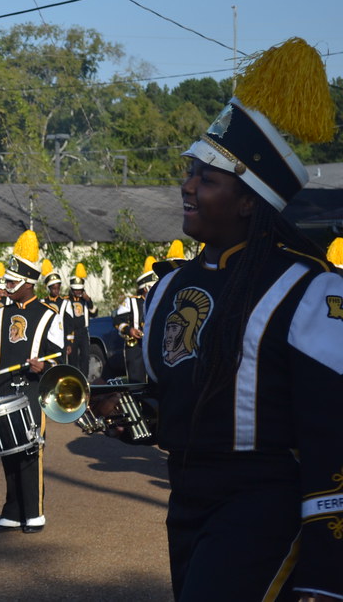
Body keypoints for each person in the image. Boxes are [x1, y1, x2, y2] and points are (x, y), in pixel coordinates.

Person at [136, 38, 343, 599]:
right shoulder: (171, 285)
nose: (187, 185)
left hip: (263, 502)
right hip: (184, 497)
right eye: (190, 172)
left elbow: (333, 436)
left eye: (207, 178)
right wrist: (126, 411)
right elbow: (175, 397)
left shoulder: (311, 288)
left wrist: (328, 574)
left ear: (250, 201)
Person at [0, 230, 64, 534]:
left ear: (29, 283)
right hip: (3, 387)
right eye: (8, 282)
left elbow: (60, 358)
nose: (8, 288)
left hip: (32, 388)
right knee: (7, 450)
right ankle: (12, 512)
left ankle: (34, 512)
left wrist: (46, 365)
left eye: (13, 283)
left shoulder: (49, 315)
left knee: (30, 449)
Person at [112, 257, 156, 383]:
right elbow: (117, 320)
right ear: (145, 288)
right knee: (137, 381)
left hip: (153, 346)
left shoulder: (158, 300)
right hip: (136, 347)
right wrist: (129, 330)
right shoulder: (131, 301)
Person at [62, 263, 96, 375]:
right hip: (72, 332)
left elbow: (94, 313)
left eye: (80, 290)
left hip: (83, 331)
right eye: (76, 290)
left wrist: (89, 300)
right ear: (71, 289)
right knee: (73, 358)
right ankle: (74, 377)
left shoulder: (85, 300)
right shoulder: (66, 300)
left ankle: (85, 379)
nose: (78, 292)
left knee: (85, 356)